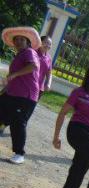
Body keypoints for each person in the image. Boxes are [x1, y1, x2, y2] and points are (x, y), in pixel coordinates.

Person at [0, 27, 41, 165]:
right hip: (12, 94)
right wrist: (4, 89)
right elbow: (14, 79)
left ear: (28, 42)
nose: (18, 42)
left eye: (22, 39)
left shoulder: (29, 52)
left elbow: (33, 66)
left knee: (18, 123)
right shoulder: (19, 55)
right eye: (16, 39)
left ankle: (19, 154)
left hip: (25, 96)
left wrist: (14, 74)